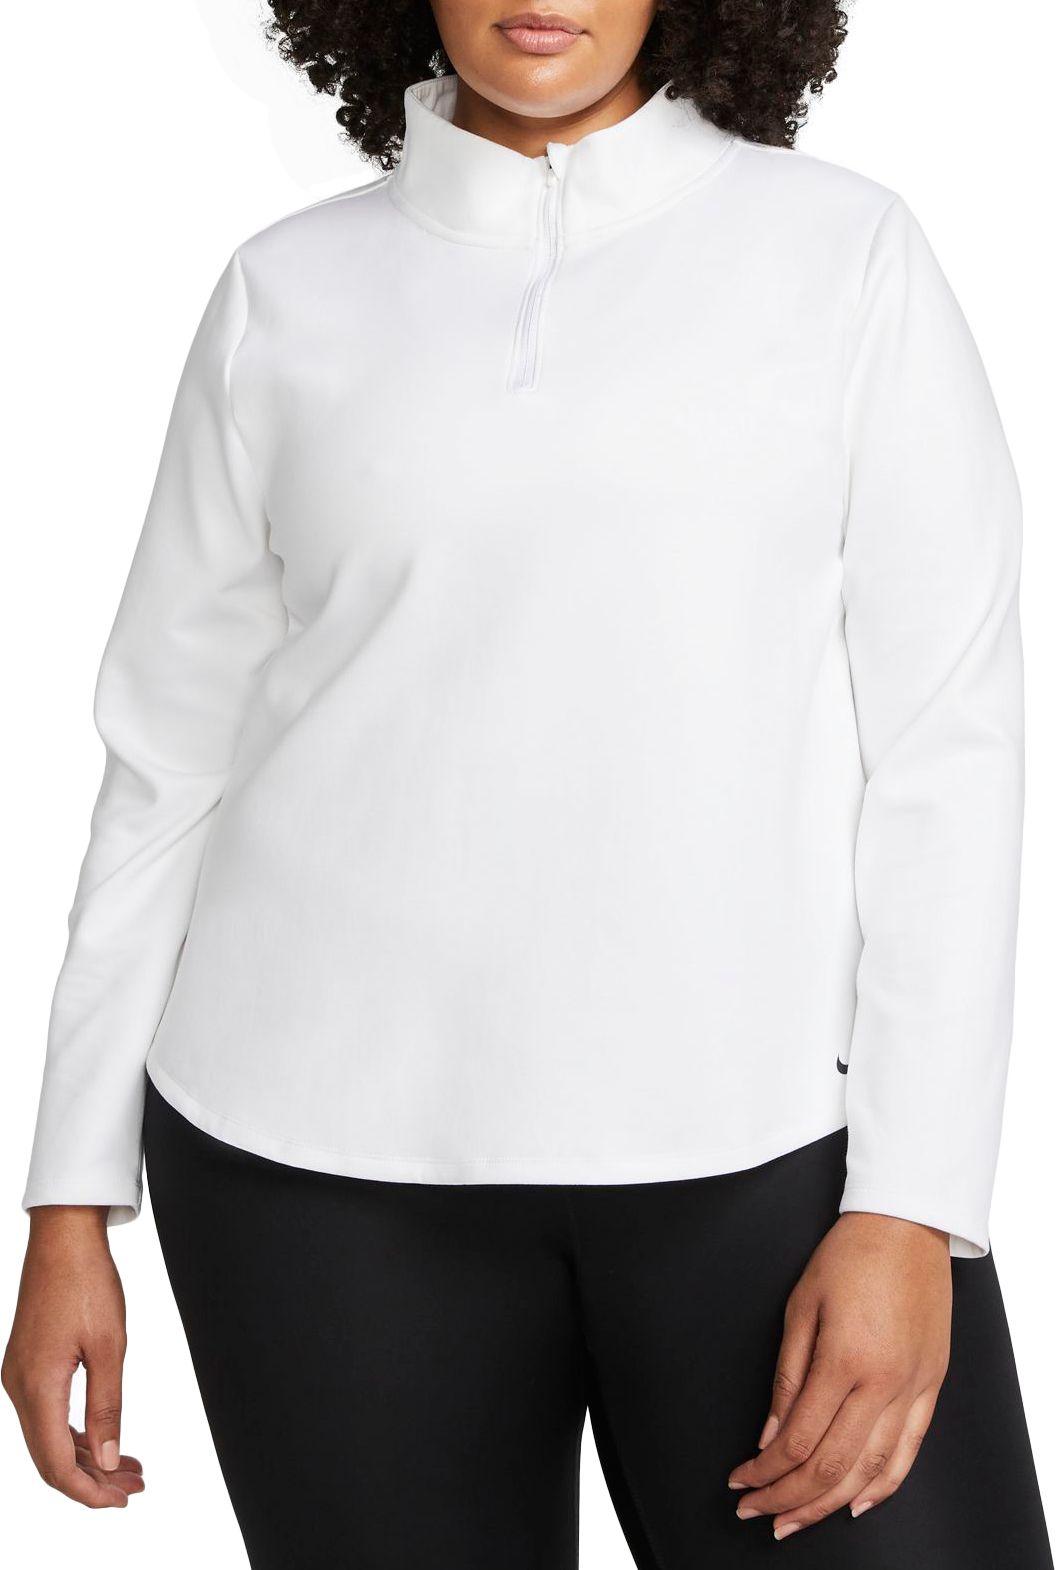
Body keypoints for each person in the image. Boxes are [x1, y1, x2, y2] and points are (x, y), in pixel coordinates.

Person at [3, 2, 1053, 1565]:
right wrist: (69, 1199)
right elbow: (166, 759)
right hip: (312, 1181)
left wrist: (915, 1202)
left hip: (766, 1160)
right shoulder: (283, 293)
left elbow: (949, 754)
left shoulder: (847, 260)